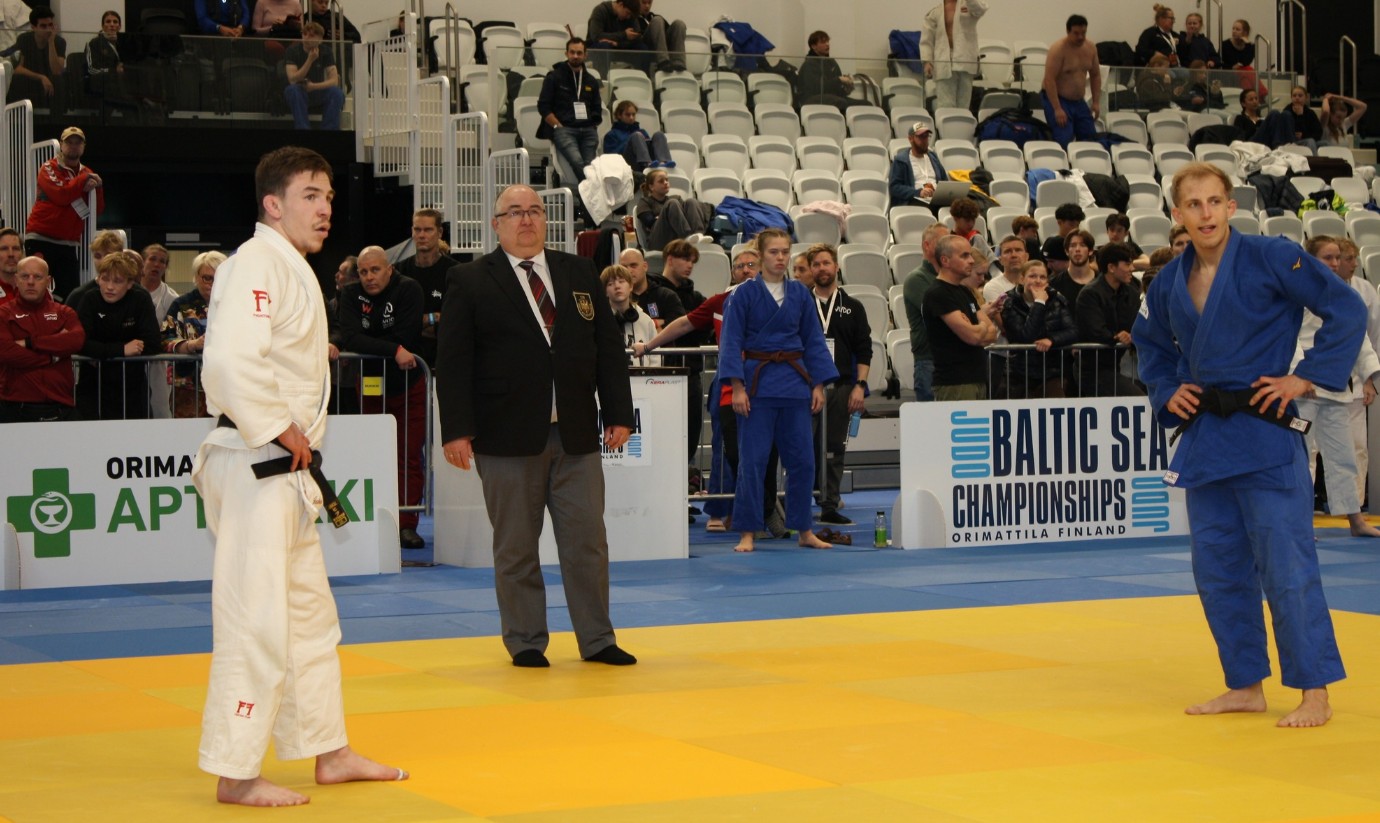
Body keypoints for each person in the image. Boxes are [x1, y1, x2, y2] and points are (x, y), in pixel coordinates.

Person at [193, 147, 407, 806]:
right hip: (255, 460)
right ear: (273, 203)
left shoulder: (292, 267)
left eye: (329, 197)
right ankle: (235, 771)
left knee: (310, 621)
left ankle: (329, 749)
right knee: (254, 620)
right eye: (310, 195)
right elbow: (229, 362)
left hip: (284, 471)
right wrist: (279, 425)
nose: (325, 209)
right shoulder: (254, 262)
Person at [1133, 162, 1362, 728]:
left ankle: (1314, 691)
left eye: (1214, 202)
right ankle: (1245, 685)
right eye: (1194, 204)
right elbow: (1150, 344)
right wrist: (1167, 389)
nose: (1205, 213)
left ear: (1231, 207)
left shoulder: (1271, 256)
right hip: (1208, 438)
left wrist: (1305, 377)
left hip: (1264, 431)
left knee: (1288, 568)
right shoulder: (1168, 280)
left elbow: (1346, 308)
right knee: (1219, 571)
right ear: (1178, 214)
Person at [436, 184, 638, 668]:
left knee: (588, 543)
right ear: (496, 224)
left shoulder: (578, 272)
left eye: (534, 211)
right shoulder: (470, 279)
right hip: (504, 436)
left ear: (546, 220)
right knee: (516, 547)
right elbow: (454, 360)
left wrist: (618, 413)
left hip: (575, 434)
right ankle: (525, 640)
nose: (525, 220)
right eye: (514, 212)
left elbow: (607, 348)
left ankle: (597, 639)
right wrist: (456, 429)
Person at [717, 227, 838, 553]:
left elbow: (813, 340)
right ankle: (747, 530)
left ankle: (804, 529)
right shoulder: (742, 295)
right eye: (774, 252)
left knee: (803, 461)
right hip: (758, 386)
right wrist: (737, 387)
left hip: (795, 384)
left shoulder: (800, 294)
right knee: (753, 462)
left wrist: (818, 384)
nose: (781, 257)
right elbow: (731, 342)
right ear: (760, 255)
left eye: (785, 251)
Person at [636, 248, 763, 534]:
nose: (745, 269)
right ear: (732, 272)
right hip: (730, 384)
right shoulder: (720, 301)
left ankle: (763, 511)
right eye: (739, 265)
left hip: (767, 385)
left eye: (751, 264)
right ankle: (720, 510)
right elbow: (684, 323)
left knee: (765, 452)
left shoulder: (779, 301)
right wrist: (649, 345)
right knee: (725, 450)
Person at [337, 246, 428, 550]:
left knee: (408, 454)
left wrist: (382, 345)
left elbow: (407, 335)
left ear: (389, 269)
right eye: (363, 272)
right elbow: (351, 337)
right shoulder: (350, 295)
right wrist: (393, 350)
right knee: (372, 453)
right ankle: (374, 520)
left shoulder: (409, 289)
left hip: (408, 385)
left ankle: (407, 523)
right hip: (371, 384)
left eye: (375, 270)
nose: (369, 277)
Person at [1293, 236, 1380, 538]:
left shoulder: (1346, 295)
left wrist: (1369, 376)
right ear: (1311, 259)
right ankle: (1300, 522)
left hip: (1337, 386)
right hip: (1304, 387)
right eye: (1327, 257)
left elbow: (1358, 337)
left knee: (1344, 456)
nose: (1334, 263)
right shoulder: (1297, 292)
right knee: (1302, 457)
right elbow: (1289, 338)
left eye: (1336, 258)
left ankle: (1355, 519)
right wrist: (1299, 375)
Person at [805, 244, 871, 527]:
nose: (822, 268)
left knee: (834, 449)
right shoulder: (801, 304)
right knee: (801, 447)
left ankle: (829, 504)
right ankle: (796, 503)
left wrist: (860, 386)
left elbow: (864, 349)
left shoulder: (853, 307)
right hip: (805, 388)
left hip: (841, 386)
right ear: (810, 270)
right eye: (816, 264)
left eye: (826, 263)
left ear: (836, 267)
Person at [76, 250, 160, 420]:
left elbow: (152, 343)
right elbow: (80, 343)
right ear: (98, 279)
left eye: (117, 281)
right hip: (93, 387)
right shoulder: (89, 299)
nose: (109, 287)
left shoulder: (141, 299)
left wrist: (99, 351)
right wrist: (122, 349)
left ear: (129, 283)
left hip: (132, 389)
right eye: (104, 279)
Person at [0, 256, 85, 423]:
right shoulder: (3, 314)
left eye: (37, 277)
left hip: (61, 406)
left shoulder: (64, 313)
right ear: (16, 280)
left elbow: (77, 339)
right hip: (14, 407)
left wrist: (30, 343)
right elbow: (6, 352)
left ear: (48, 281)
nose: (30, 282)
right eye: (25, 276)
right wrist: (52, 356)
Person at [25, 126, 104, 301]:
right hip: (41, 239)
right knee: (34, 289)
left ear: (83, 147)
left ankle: (59, 319)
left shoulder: (88, 173)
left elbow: (97, 210)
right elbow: (61, 195)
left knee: (69, 296)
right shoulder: (49, 167)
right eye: (69, 142)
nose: (74, 146)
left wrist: (98, 188)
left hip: (68, 244)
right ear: (61, 145)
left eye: (78, 143)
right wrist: (83, 180)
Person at [923, 234, 999, 400]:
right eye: (964, 256)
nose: (971, 260)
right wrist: (981, 326)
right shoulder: (938, 293)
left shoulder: (964, 291)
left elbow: (993, 334)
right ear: (945, 261)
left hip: (977, 378)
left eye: (970, 255)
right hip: (955, 382)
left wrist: (977, 328)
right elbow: (973, 336)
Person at [650, 239, 706, 464]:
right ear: (670, 259)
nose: (689, 265)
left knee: (691, 434)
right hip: (657, 374)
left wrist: (665, 324)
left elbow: (702, 332)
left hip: (690, 373)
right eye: (685, 259)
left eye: (692, 261)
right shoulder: (650, 292)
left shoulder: (696, 297)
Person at [1000, 259, 1076, 399]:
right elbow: (1026, 338)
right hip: (1019, 374)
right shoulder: (1009, 302)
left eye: (1042, 277)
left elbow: (1073, 331)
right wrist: (1039, 303)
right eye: (1032, 276)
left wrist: (1052, 339)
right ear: (1022, 279)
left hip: (1051, 372)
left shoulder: (1056, 300)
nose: (1038, 281)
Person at [1075, 241, 1143, 397]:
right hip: (1092, 371)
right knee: (1137, 398)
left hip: (1116, 367)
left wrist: (1132, 336)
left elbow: (1139, 325)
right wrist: (1118, 337)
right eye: (1127, 264)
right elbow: (1095, 331)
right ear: (1111, 267)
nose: (1132, 268)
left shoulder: (1131, 293)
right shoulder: (1089, 294)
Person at [162, 251, 224, 418]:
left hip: (226, 385)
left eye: (218, 278)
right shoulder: (181, 304)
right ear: (196, 277)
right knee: (185, 433)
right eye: (207, 278)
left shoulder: (236, 304)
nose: (212, 283)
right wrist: (191, 345)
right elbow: (165, 338)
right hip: (188, 386)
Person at [394, 208, 458, 368]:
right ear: (412, 231)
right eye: (417, 229)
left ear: (440, 232)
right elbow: (395, 322)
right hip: (406, 361)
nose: (422, 235)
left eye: (428, 230)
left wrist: (416, 324)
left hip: (444, 359)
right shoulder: (398, 271)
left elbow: (454, 322)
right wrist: (434, 317)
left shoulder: (455, 272)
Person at [537, 38, 603, 183]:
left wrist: (592, 124)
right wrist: (557, 125)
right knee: (578, 162)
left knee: (590, 167)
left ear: (585, 55)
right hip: (564, 129)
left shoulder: (591, 80)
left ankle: (586, 194)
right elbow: (543, 106)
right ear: (566, 53)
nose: (575, 56)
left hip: (588, 130)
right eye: (572, 52)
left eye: (579, 53)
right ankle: (591, 193)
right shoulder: (554, 77)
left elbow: (597, 107)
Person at [902, 223, 951, 400]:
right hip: (929, 360)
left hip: (951, 360)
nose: (948, 247)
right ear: (927, 245)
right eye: (942, 241)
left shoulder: (952, 277)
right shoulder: (917, 279)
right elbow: (940, 314)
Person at [1042, 15, 1102, 148]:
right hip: (1058, 99)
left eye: (1083, 33)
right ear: (1068, 31)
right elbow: (1049, 80)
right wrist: (1057, 108)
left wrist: (1096, 102)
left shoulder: (1091, 48)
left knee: (1090, 140)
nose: (1080, 37)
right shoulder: (1058, 49)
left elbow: (1096, 75)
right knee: (1063, 139)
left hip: (1079, 101)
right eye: (1076, 33)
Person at [921, 0, 988, 111]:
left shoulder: (969, 5)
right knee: (945, 107)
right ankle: (946, 122)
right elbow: (927, 39)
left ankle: (962, 123)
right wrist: (927, 61)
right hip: (943, 62)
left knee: (963, 106)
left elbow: (980, 9)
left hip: (965, 61)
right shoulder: (935, 12)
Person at [283, 21, 345, 131]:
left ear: (320, 39)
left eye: (311, 35)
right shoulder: (292, 51)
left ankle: (329, 130)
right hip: (299, 89)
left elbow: (334, 81)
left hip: (316, 89)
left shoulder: (326, 51)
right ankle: (303, 128)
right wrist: (310, 60)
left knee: (336, 93)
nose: (306, 38)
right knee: (293, 90)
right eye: (304, 34)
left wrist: (313, 86)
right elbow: (293, 79)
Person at [141, 243, 178, 419]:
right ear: (142, 262)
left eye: (162, 261)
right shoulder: (129, 291)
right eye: (152, 259)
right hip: (131, 358)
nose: (157, 265)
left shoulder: (171, 298)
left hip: (158, 362)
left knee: (160, 406)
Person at [633, 169, 711, 251]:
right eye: (661, 181)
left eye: (667, 180)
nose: (666, 183)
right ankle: (686, 237)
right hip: (658, 242)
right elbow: (649, 222)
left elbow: (685, 218)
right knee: (672, 203)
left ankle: (699, 235)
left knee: (691, 201)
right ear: (651, 187)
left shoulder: (677, 198)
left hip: (676, 238)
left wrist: (661, 217)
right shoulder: (645, 201)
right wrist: (666, 216)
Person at [5, 7, 65, 108]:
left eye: (50, 25)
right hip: (29, 81)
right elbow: (17, 69)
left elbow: (57, 71)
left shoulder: (59, 42)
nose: (48, 29)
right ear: (34, 27)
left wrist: (51, 42)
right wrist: (41, 77)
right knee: (17, 80)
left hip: (51, 84)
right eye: (43, 26)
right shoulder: (24, 39)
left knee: (59, 82)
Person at [602, 264, 659, 366]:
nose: (617, 286)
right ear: (605, 291)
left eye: (621, 281)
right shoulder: (600, 320)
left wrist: (651, 374)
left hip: (644, 375)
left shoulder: (645, 320)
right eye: (610, 284)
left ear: (631, 286)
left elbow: (656, 357)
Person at [888, 123, 950, 209]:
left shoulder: (933, 157)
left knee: (962, 204)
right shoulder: (901, 160)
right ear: (910, 139)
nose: (925, 140)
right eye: (921, 137)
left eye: (926, 136)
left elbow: (944, 180)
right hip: (915, 200)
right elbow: (894, 187)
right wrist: (918, 192)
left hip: (936, 198)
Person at [603, 100, 673, 173]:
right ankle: (646, 163)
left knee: (659, 135)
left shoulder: (642, 131)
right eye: (628, 115)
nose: (631, 117)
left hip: (649, 161)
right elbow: (610, 158)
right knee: (636, 135)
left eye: (633, 114)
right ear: (619, 115)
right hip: (627, 164)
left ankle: (663, 162)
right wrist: (631, 141)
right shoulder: (611, 135)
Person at [797, 30, 859, 110]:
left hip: (833, 98)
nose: (827, 44)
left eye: (827, 41)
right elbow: (817, 88)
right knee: (840, 102)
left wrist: (846, 89)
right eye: (823, 42)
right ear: (813, 46)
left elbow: (837, 90)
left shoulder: (832, 62)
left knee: (865, 104)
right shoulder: (809, 64)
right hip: (812, 99)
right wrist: (839, 79)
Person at [0, 228, 22, 307]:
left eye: (15, 248)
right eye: (4, 249)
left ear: (22, 253)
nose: (11, 254)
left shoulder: (36, 289)